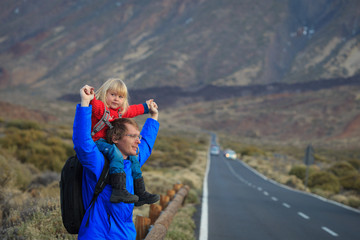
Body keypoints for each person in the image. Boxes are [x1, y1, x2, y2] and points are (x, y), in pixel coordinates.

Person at [73, 84, 159, 239]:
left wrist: (153, 117)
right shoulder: (98, 162)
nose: (138, 141)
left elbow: (146, 143)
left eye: (137, 136)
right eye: (132, 136)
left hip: (125, 235)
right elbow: (83, 143)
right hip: (97, 234)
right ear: (115, 138)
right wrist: (85, 103)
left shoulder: (133, 161)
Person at [90, 78, 159, 205]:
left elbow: (133, 110)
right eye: (113, 94)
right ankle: (119, 190)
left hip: (110, 142)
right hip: (98, 142)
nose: (116, 99)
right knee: (115, 153)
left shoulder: (120, 112)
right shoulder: (101, 108)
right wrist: (89, 96)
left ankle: (140, 192)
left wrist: (147, 107)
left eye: (121, 96)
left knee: (133, 157)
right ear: (105, 94)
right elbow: (92, 103)